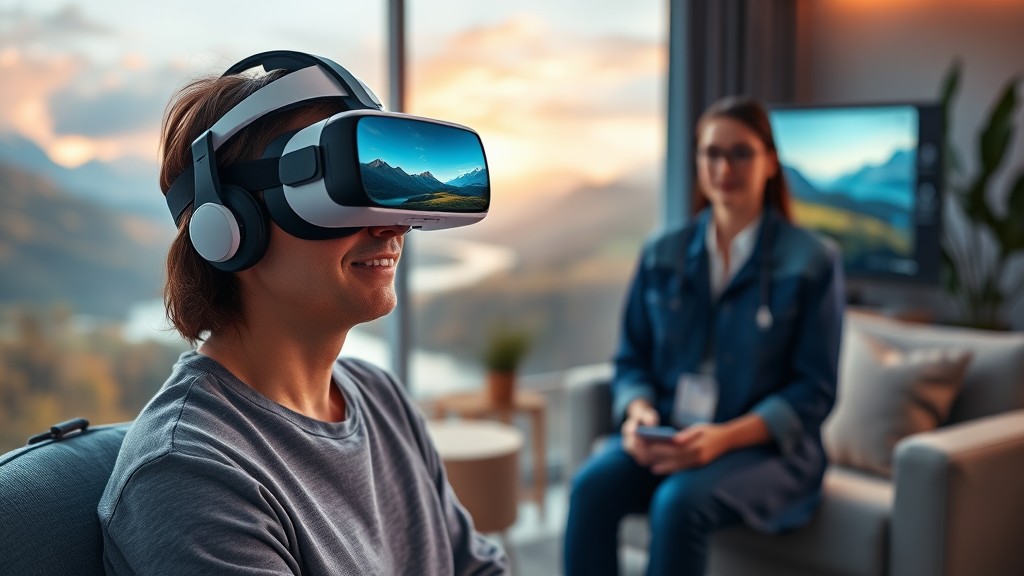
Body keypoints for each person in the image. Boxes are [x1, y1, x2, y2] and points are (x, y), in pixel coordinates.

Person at [98, 52, 508, 575]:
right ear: (227, 226)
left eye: (387, 197)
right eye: (339, 192)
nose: (392, 228)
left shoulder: (381, 397)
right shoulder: (193, 472)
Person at [563, 96, 845, 576]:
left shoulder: (813, 260)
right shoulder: (661, 253)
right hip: (674, 433)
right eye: (712, 153)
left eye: (741, 153)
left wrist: (724, 439)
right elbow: (632, 359)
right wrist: (639, 413)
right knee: (591, 486)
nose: (724, 166)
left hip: (766, 450)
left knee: (678, 503)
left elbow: (813, 392)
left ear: (770, 163)